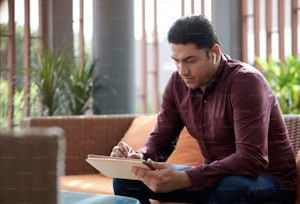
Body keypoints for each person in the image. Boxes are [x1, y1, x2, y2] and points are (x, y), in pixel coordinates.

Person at [110, 15, 297, 204]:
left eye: (190, 60)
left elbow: (251, 159)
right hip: (213, 179)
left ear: (214, 52)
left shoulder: (245, 82)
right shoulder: (177, 84)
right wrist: (138, 158)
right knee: (128, 180)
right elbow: (160, 141)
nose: (182, 71)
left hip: (269, 181)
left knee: (230, 188)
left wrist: (186, 178)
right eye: (176, 61)